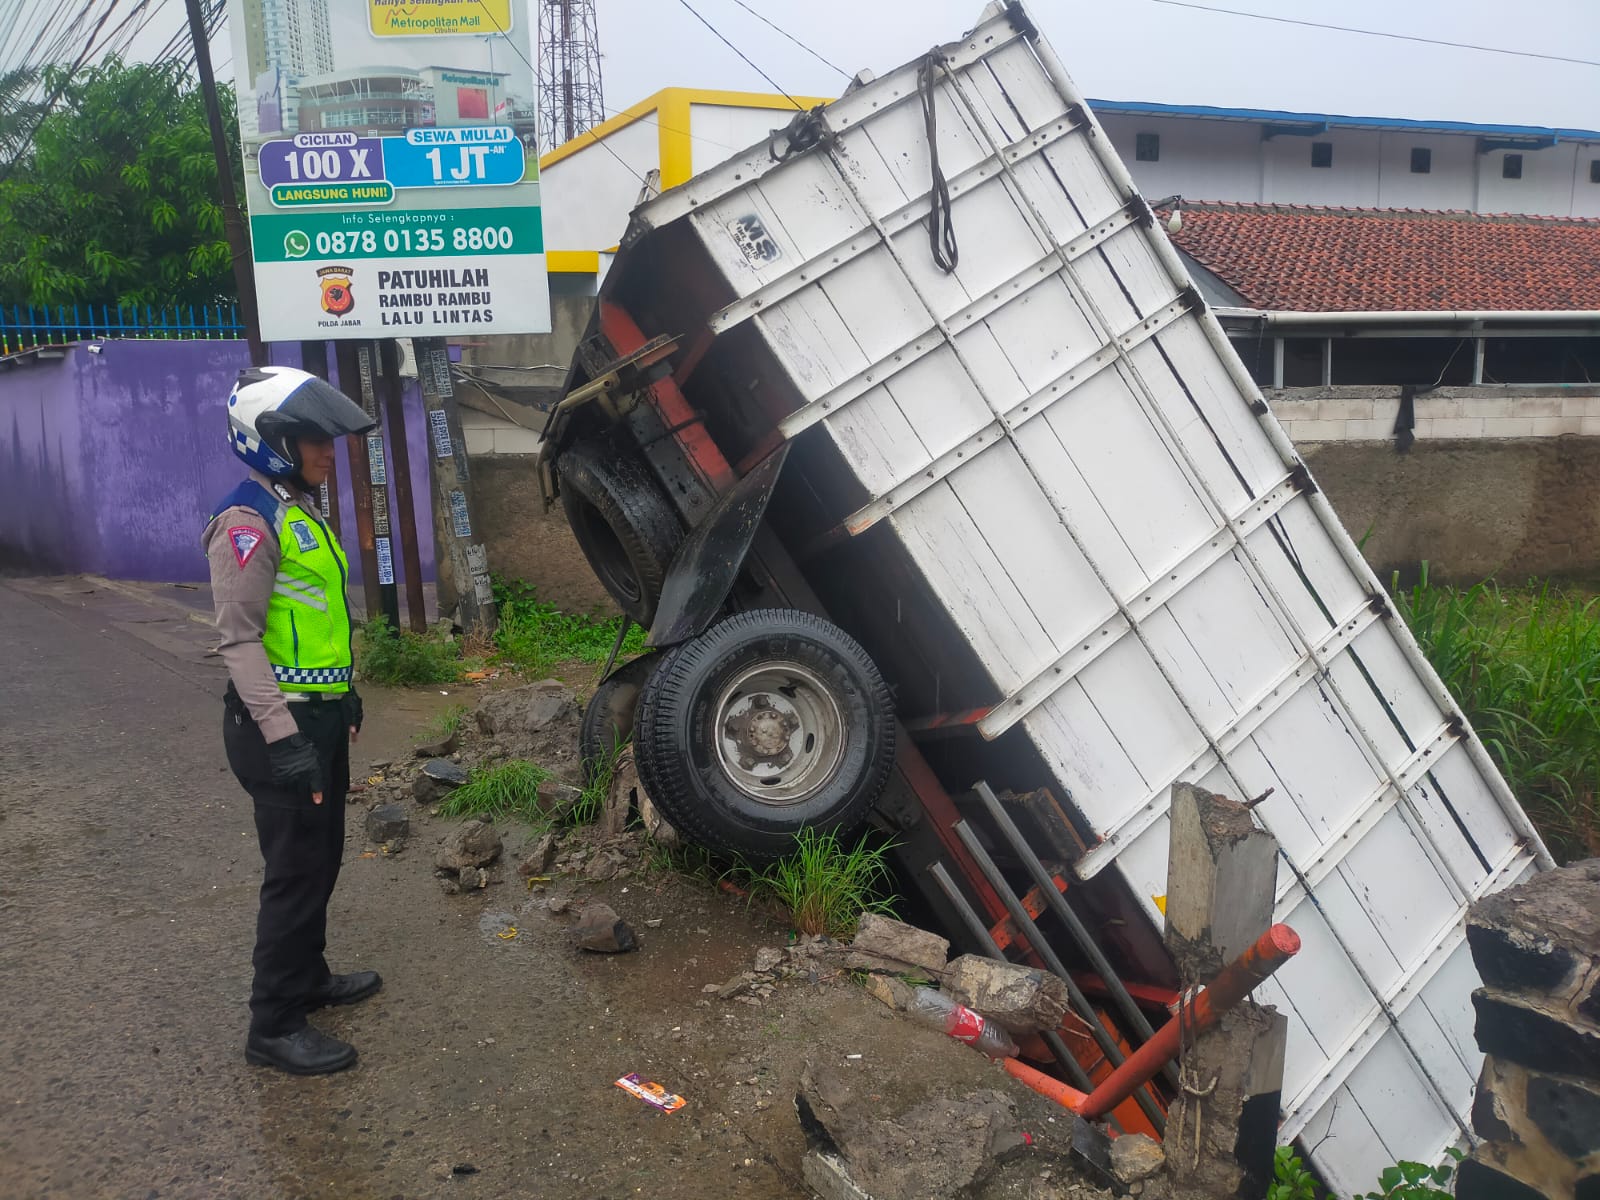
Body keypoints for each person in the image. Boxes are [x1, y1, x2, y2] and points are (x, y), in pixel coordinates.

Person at [202, 365, 380, 1076]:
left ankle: (307, 977)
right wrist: (285, 739)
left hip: (320, 717)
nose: (327, 454)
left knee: (322, 855)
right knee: (295, 871)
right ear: (272, 439)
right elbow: (238, 639)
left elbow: (318, 623)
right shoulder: (248, 521)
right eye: (315, 442)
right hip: (278, 729)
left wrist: (347, 694)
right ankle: (272, 1023)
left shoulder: (297, 509)